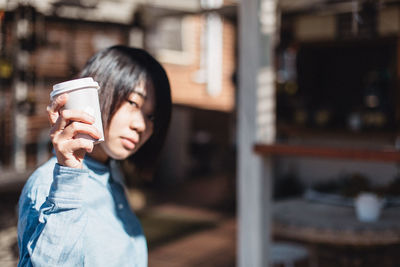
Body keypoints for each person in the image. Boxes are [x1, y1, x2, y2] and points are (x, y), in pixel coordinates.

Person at [17, 45, 172, 266]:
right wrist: (67, 180)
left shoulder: (111, 174)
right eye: (133, 103)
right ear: (96, 94)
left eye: (152, 117)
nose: (141, 125)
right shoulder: (49, 185)